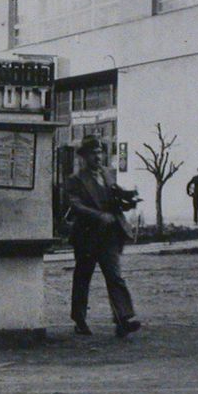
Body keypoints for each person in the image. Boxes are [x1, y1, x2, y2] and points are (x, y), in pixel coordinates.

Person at [64, 136, 141, 338]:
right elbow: (76, 205)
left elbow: (115, 198)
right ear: (83, 157)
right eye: (93, 153)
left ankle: (123, 319)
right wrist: (99, 216)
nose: (97, 157)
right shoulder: (75, 180)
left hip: (108, 237)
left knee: (115, 277)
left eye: (99, 153)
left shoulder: (107, 175)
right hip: (86, 237)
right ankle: (79, 320)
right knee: (83, 278)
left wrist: (129, 201)